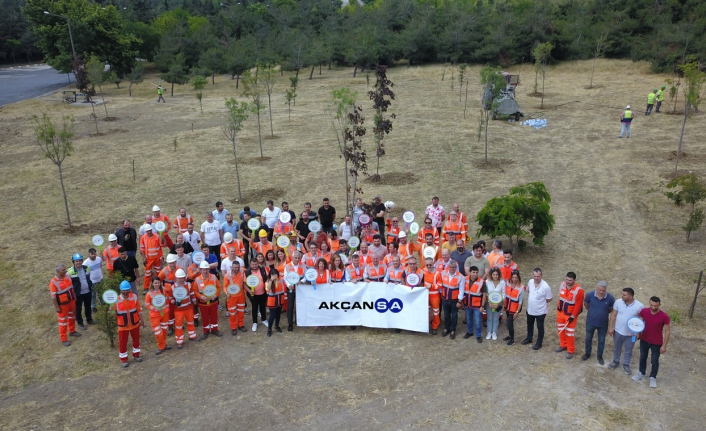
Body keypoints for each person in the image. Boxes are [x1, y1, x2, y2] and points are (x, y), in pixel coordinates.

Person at [633, 296, 670, 388]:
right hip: (644, 339)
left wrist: (664, 345)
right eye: (651, 305)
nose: (653, 307)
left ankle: (653, 377)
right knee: (642, 357)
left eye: (655, 306)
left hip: (656, 342)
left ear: (659, 305)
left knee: (654, 360)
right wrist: (638, 333)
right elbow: (639, 322)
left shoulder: (664, 316)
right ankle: (641, 373)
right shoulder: (644, 311)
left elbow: (667, 331)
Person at [608, 287, 644, 375]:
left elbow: (641, 320)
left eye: (624, 295)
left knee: (629, 349)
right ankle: (616, 361)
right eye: (622, 294)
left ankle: (626, 364)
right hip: (618, 331)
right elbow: (613, 315)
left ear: (630, 296)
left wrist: (638, 333)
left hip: (632, 334)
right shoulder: (618, 302)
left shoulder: (639, 306)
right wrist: (611, 327)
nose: (622, 296)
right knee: (617, 348)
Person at [113, 280, 145, 367]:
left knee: (136, 340)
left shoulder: (134, 297)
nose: (126, 291)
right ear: (120, 290)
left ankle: (136, 355)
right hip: (123, 326)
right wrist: (112, 310)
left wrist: (142, 320)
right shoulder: (116, 300)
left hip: (135, 323)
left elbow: (138, 310)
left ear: (129, 289)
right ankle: (124, 359)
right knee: (123, 342)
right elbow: (114, 314)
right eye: (124, 290)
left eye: (127, 289)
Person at [582, 281, 615, 364]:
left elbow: (611, 309)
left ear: (606, 289)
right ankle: (587, 353)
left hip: (603, 324)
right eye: (599, 290)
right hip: (590, 322)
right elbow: (586, 304)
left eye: (603, 290)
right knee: (588, 338)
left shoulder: (610, 298)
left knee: (601, 340)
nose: (601, 292)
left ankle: (599, 356)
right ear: (596, 288)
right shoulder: (589, 295)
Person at [521, 268, 553, 350]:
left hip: (541, 311)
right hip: (530, 309)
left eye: (538, 276)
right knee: (529, 324)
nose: (536, 278)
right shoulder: (530, 282)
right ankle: (529, 338)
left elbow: (549, 298)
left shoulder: (546, 287)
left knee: (540, 327)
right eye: (535, 276)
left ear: (541, 276)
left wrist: (540, 303)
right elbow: (528, 291)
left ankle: (539, 343)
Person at [554, 272, 584, 359]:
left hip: (570, 316)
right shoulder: (562, 285)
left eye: (570, 280)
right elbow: (561, 298)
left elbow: (578, 306)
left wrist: (573, 317)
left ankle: (570, 350)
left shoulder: (579, 291)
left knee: (569, 333)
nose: (567, 282)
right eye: (566, 279)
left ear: (574, 280)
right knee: (561, 330)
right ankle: (563, 345)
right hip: (560, 313)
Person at [49, 264, 80, 346]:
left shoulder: (67, 276)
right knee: (63, 322)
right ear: (58, 271)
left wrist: (74, 296)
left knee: (72, 317)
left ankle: (72, 331)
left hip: (71, 302)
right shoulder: (53, 283)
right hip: (62, 305)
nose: (65, 271)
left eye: (65, 269)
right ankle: (64, 339)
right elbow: (53, 297)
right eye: (63, 270)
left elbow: (71, 287)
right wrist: (57, 307)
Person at [171, 269, 200, 348]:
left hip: (188, 308)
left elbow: (192, 294)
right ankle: (179, 341)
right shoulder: (173, 287)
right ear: (176, 278)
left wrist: (195, 304)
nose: (181, 279)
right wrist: (174, 302)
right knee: (179, 325)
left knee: (190, 322)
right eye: (179, 278)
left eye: (182, 278)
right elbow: (170, 298)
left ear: (184, 277)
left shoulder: (189, 285)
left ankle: (192, 336)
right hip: (178, 310)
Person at [194, 261, 223, 338]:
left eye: (207, 269)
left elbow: (218, 287)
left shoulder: (213, 277)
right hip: (203, 303)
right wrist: (201, 297)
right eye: (204, 269)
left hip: (213, 302)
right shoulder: (197, 280)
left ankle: (214, 329)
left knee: (214, 316)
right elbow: (195, 291)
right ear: (200, 270)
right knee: (205, 317)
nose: (205, 271)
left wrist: (216, 295)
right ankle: (206, 331)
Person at [437, 260, 465, 340]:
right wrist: (441, 294)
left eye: (454, 267)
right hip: (445, 299)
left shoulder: (461, 276)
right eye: (451, 267)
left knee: (454, 315)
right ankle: (446, 328)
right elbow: (441, 284)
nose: (452, 268)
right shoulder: (443, 273)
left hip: (454, 300)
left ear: (456, 267)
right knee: (446, 314)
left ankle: (453, 330)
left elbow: (461, 289)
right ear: (448, 266)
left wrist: (460, 301)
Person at [68, 253, 94, 330]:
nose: (78, 262)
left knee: (88, 307)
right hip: (78, 294)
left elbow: (89, 279)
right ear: (73, 262)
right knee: (78, 309)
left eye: (80, 261)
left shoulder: (87, 268)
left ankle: (89, 319)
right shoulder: (70, 272)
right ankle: (80, 323)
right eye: (76, 261)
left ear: (82, 261)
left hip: (87, 292)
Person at [145, 277, 171, 355]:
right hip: (155, 315)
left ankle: (164, 344)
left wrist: (166, 307)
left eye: (158, 283)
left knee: (164, 330)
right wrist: (155, 308)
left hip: (164, 314)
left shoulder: (163, 290)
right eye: (155, 283)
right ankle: (161, 347)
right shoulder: (149, 294)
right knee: (158, 332)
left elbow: (167, 299)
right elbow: (147, 305)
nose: (157, 284)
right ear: (152, 284)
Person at [460, 266, 486, 343]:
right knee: (468, 320)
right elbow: (461, 290)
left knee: (478, 321)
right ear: (470, 272)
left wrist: (482, 306)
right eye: (473, 272)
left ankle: (478, 335)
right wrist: (461, 301)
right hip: (467, 304)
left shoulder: (482, 281)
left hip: (477, 306)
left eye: (476, 272)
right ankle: (469, 332)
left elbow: (484, 294)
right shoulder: (464, 279)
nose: (475, 274)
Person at [224, 260, 247, 335]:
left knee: (241, 311)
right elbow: (224, 286)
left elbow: (251, 270)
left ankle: (241, 325)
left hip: (241, 296)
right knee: (232, 313)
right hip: (231, 297)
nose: (236, 269)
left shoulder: (242, 271)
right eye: (235, 267)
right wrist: (226, 293)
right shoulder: (227, 275)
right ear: (232, 267)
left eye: (238, 267)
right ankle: (233, 327)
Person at [139, 224, 164, 293]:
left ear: (151, 230)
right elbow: (142, 249)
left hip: (157, 258)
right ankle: (146, 287)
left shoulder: (157, 236)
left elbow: (162, 245)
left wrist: (162, 236)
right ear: (145, 231)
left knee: (158, 273)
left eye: (150, 230)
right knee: (147, 273)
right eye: (147, 231)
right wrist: (144, 258)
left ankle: (158, 286)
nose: (149, 232)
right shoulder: (143, 238)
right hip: (148, 259)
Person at [245, 258, 268, 332]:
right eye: (252, 264)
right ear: (250, 264)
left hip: (263, 293)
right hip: (253, 294)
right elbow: (244, 283)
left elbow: (267, 278)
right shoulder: (247, 272)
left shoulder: (262, 269)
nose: (254, 266)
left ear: (258, 263)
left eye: (256, 264)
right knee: (254, 308)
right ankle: (255, 322)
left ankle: (264, 319)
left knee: (262, 306)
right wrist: (249, 291)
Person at [284, 251, 305, 331]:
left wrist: (302, 281)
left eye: (298, 258)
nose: (297, 259)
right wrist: (289, 285)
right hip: (291, 289)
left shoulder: (303, 265)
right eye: (295, 258)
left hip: (300, 289)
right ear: (292, 258)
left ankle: (298, 320)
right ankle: (290, 323)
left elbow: (306, 276)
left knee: (299, 305)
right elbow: (286, 278)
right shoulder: (287, 266)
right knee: (290, 306)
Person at [503, 270, 525, 346]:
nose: (514, 279)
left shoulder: (521, 287)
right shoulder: (507, 283)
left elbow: (520, 301)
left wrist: (517, 312)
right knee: (509, 323)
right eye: (513, 277)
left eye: (516, 277)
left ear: (518, 277)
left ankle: (512, 340)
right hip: (507, 307)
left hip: (514, 308)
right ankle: (509, 336)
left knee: (509, 323)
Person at [485, 268, 506, 341]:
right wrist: (489, 302)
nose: (495, 276)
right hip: (489, 304)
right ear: (491, 275)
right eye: (494, 274)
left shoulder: (502, 282)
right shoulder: (487, 282)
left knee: (496, 318)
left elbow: (503, 294)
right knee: (490, 318)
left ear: (499, 275)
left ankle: (494, 332)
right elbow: (486, 293)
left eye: (497, 274)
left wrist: (499, 303)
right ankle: (489, 332)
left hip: (498, 304)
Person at [265, 268, 286, 336]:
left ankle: (277, 326)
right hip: (272, 302)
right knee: (272, 316)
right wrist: (271, 279)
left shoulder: (281, 280)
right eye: (272, 274)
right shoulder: (268, 281)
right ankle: (269, 329)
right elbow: (268, 288)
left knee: (278, 315)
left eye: (275, 274)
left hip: (280, 300)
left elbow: (284, 287)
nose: (274, 275)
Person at [422, 257, 440, 334]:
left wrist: (432, 286)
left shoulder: (437, 273)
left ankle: (435, 327)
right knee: (426, 311)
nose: (429, 266)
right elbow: (420, 282)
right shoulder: (422, 271)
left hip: (434, 295)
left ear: (433, 264)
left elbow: (440, 285)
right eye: (427, 265)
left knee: (435, 312)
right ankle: (426, 325)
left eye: (430, 265)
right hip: (425, 295)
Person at [85, 247, 104, 312]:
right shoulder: (86, 263)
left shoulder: (99, 259)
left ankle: (103, 303)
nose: (93, 255)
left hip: (100, 279)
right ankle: (93, 306)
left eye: (94, 254)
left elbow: (101, 265)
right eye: (92, 254)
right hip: (92, 281)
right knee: (93, 294)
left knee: (101, 292)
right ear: (89, 254)